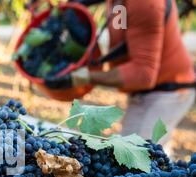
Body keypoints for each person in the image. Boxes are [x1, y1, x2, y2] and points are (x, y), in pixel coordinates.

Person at [45, 0, 196, 148]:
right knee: (150, 158)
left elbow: (142, 75)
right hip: (149, 90)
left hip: (165, 93)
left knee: (136, 159)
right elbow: (122, 21)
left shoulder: (145, 4)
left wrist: (81, 77)